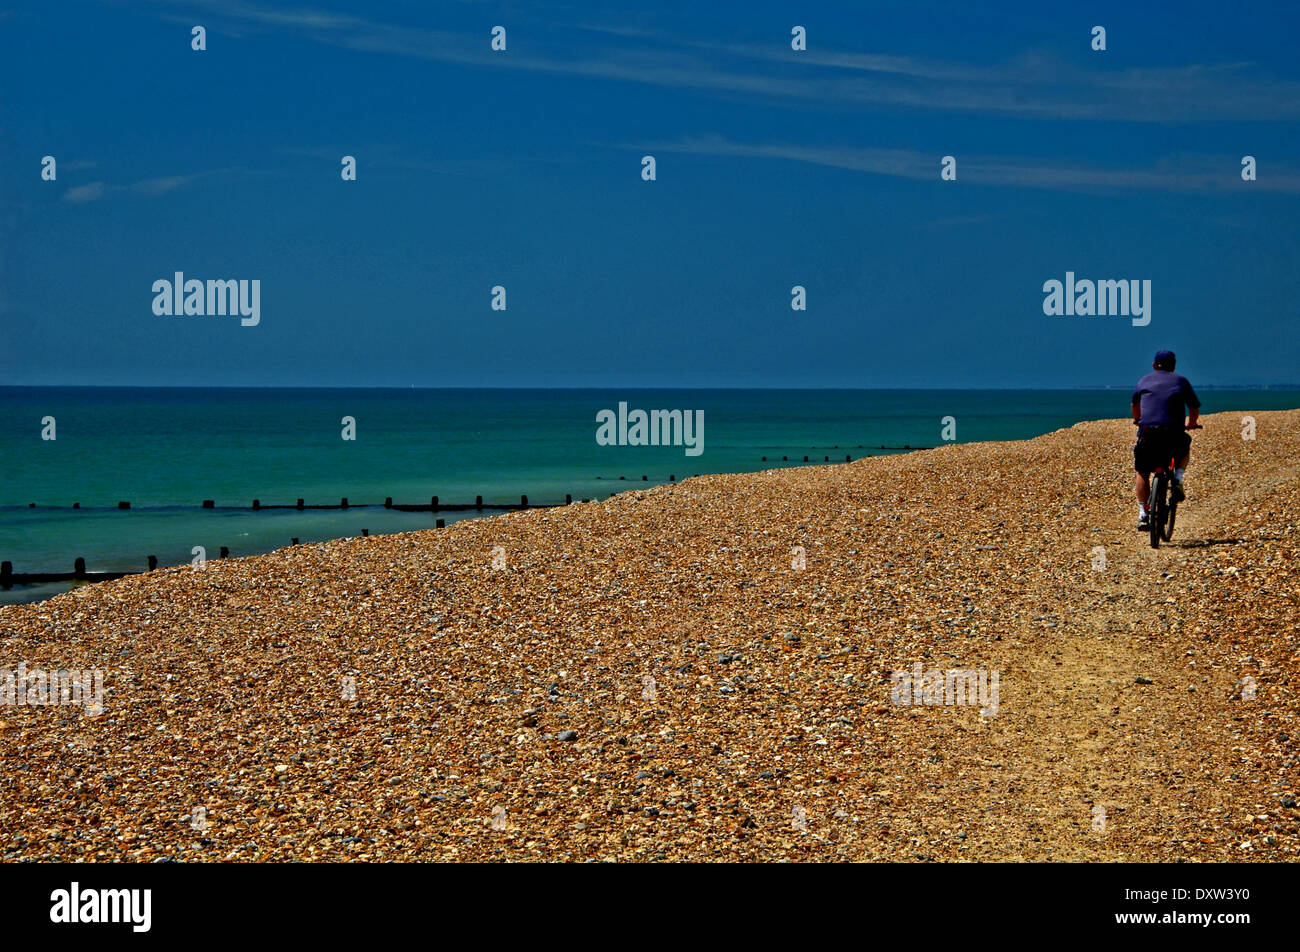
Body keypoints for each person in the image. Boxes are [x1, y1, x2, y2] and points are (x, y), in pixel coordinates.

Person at [1131, 350, 1200, 530]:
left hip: (1148, 434)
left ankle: (1143, 512)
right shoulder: (1181, 381)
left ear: (1154, 365)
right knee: (1184, 447)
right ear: (1174, 365)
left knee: (1143, 472)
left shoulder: (1144, 381)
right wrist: (1191, 423)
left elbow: (1135, 405)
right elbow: (1193, 407)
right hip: (1173, 435)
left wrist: (1138, 419)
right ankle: (1177, 478)